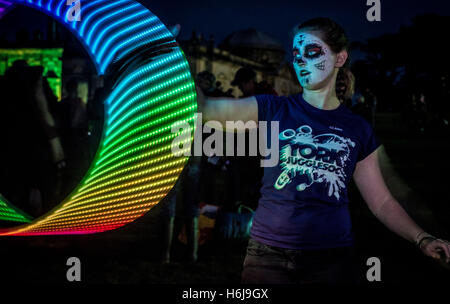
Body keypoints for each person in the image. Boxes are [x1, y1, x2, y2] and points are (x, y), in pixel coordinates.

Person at [195, 17, 450, 284]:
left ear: (340, 58)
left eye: (312, 52)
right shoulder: (273, 108)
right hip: (268, 256)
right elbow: (206, 108)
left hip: (329, 259)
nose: (301, 60)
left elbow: (382, 202)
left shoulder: (358, 129)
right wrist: (166, 60)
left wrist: (422, 238)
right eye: (296, 55)